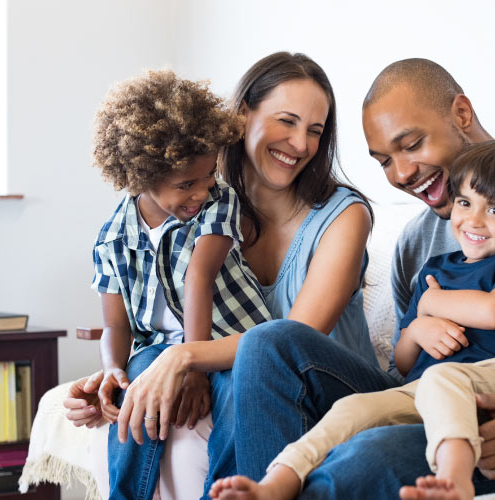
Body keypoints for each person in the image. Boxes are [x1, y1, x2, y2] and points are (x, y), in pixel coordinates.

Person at [224, 58, 495, 498]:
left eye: (412, 144)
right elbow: (406, 368)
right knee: (270, 343)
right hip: (426, 403)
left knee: (365, 458)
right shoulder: (416, 243)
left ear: (461, 114)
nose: (401, 175)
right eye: (384, 162)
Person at [63, 52, 379, 499]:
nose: (301, 144)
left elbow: (293, 340)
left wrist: (185, 357)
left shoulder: (343, 216)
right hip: (241, 370)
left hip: (328, 387)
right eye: (286, 121)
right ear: (242, 115)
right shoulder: (199, 204)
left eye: (315, 130)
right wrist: (117, 377)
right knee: (150, 374)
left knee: (253, 359)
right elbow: (147, 312)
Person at [209, 139, 495, 500]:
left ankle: (456, 479)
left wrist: (432, 303)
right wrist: (419, 326)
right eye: (465, 203)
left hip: (491, 386)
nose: (474, 220)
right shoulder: (435, 269)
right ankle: (276, 483)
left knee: (442, 376)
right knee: (352, 408)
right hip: (418, 390)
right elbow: (404, 362)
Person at [86, 69, 274, 500]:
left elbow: (199, 278)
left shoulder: (218, 200)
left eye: (208, 175)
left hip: (231, 339)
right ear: (139, 177)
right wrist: (114, 367)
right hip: (157, 348)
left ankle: (225, 493)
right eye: (185, 184)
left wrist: (193, 365)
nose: (201, 191)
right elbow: (116, 326)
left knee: (235, 395)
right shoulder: (112, 238)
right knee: (136, 389)